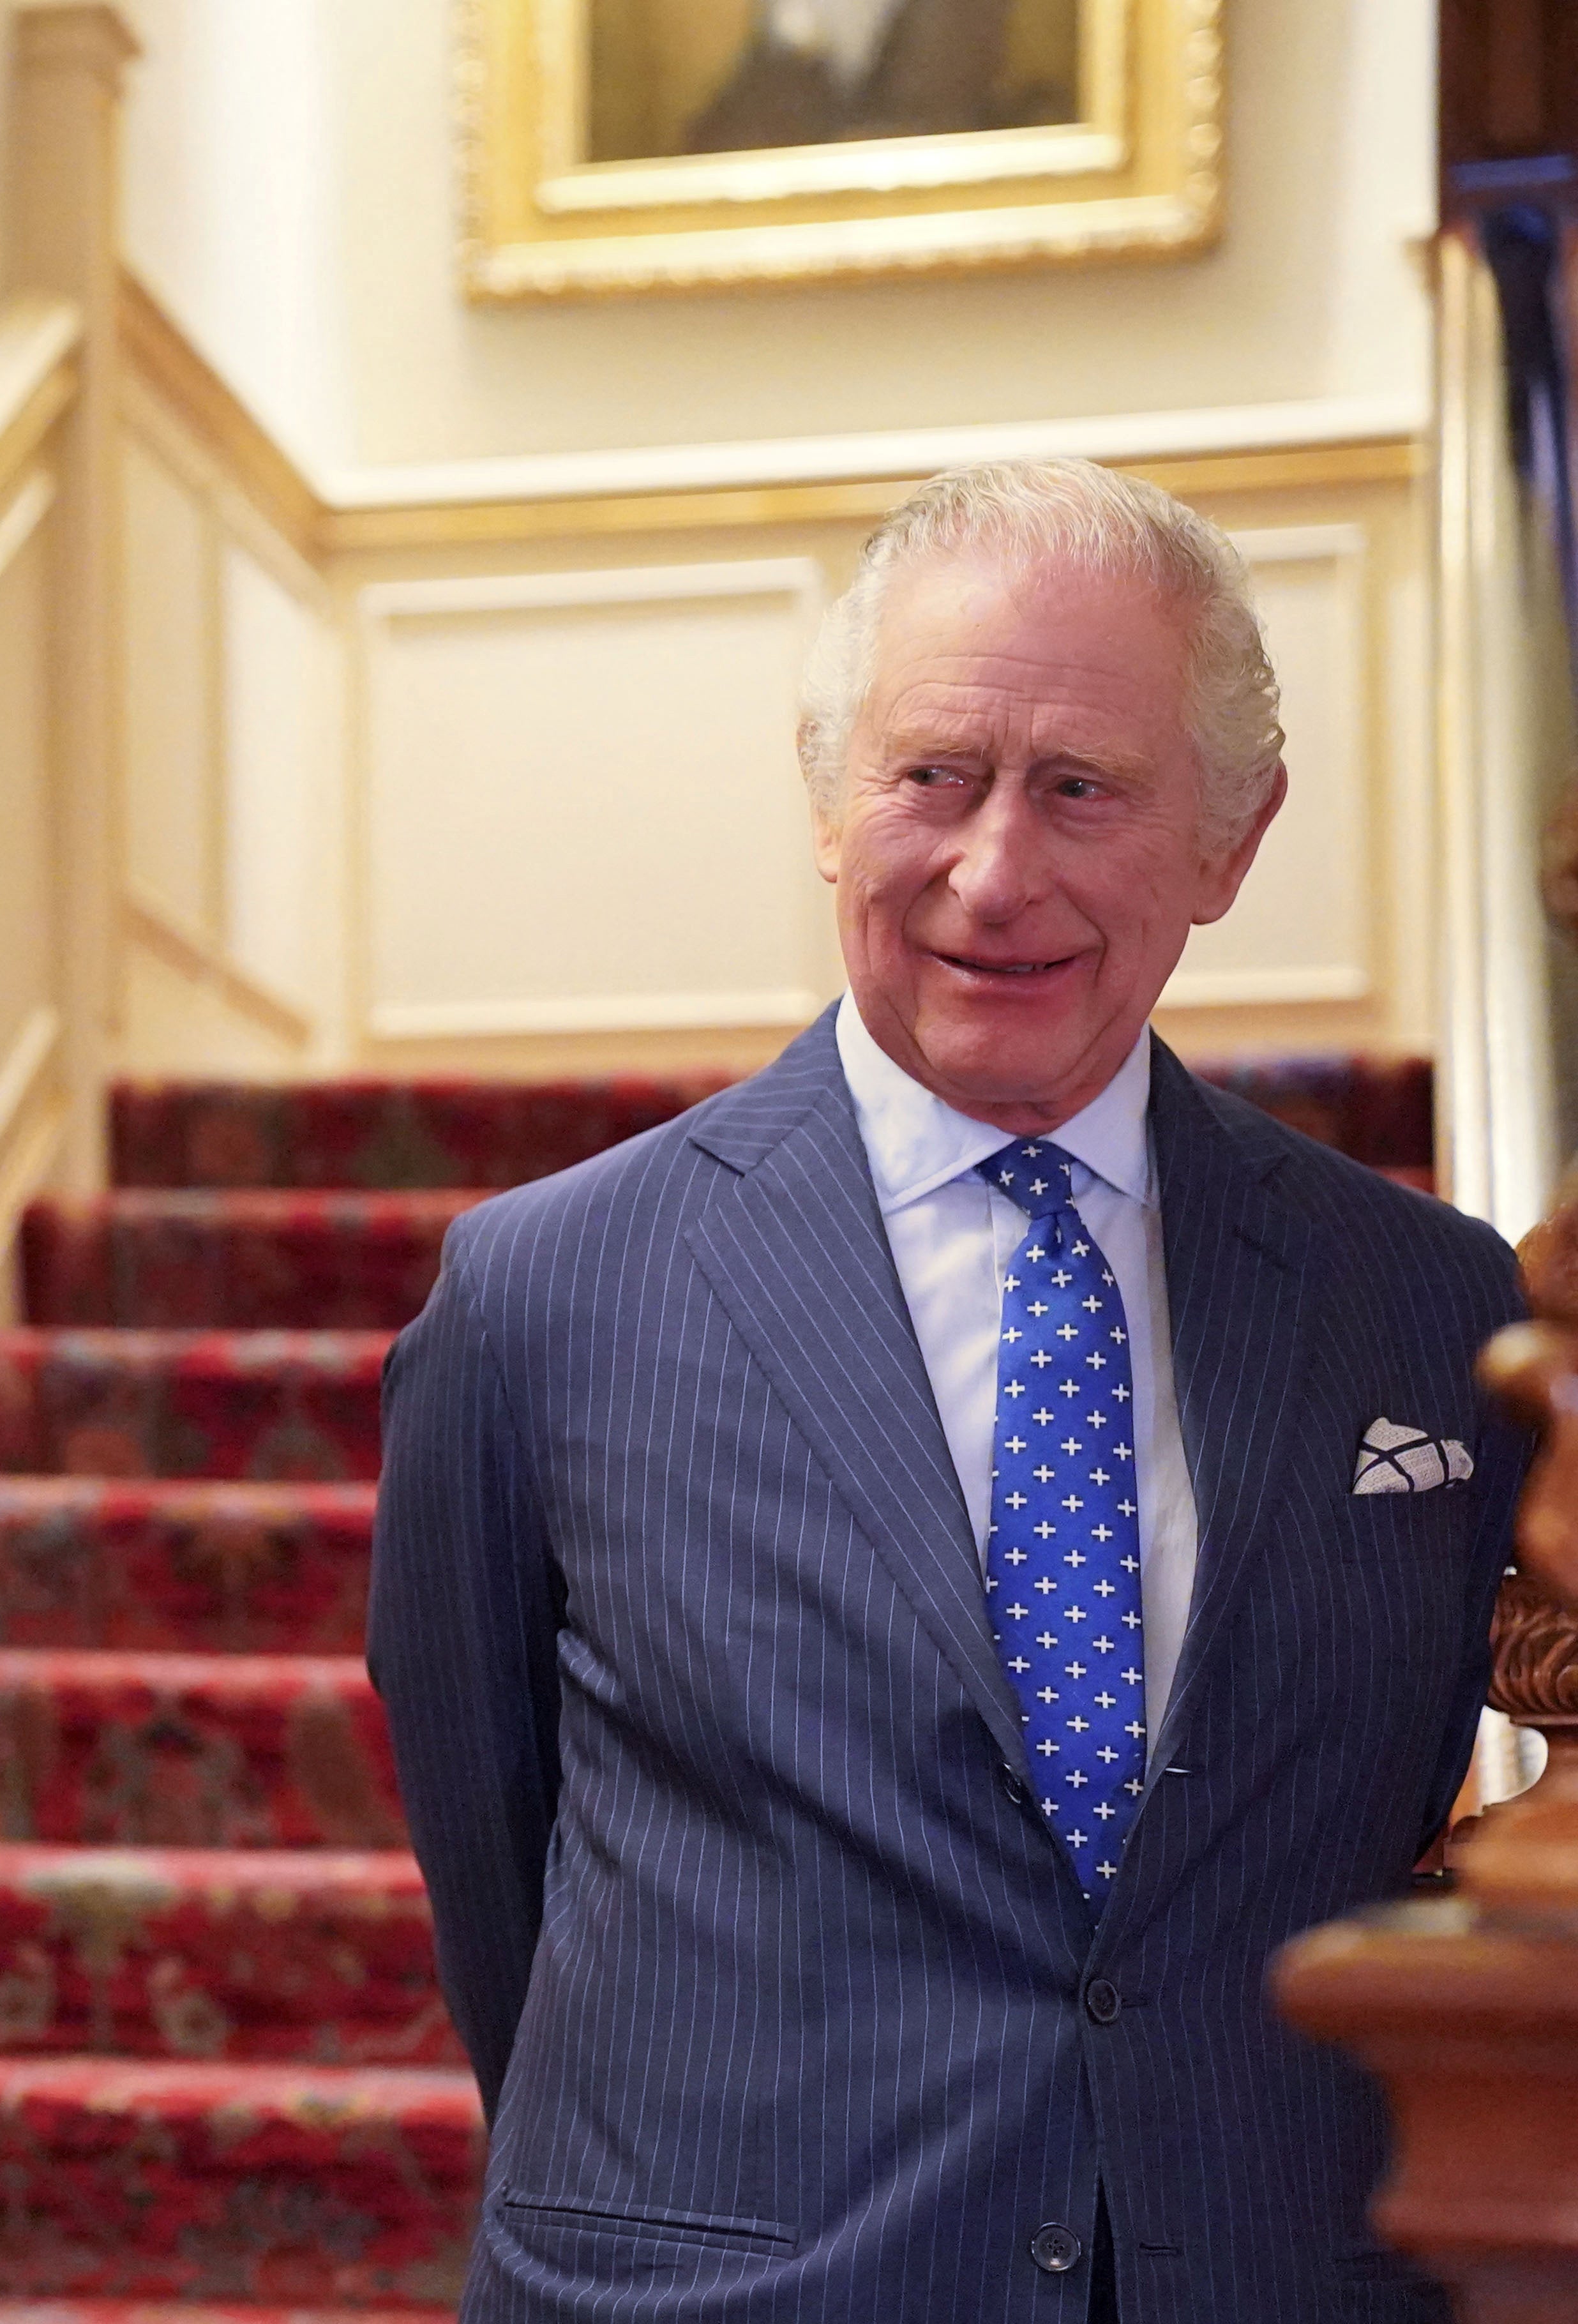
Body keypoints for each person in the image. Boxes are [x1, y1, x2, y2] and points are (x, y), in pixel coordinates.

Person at [372, 457, 1527, 2323]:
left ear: (1232, 841)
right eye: (933, 776)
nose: (996, 875)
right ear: (831, 805)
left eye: (1082, 788)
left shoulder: (1425, 1309)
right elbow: (497, 1870)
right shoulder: (542, 1300)